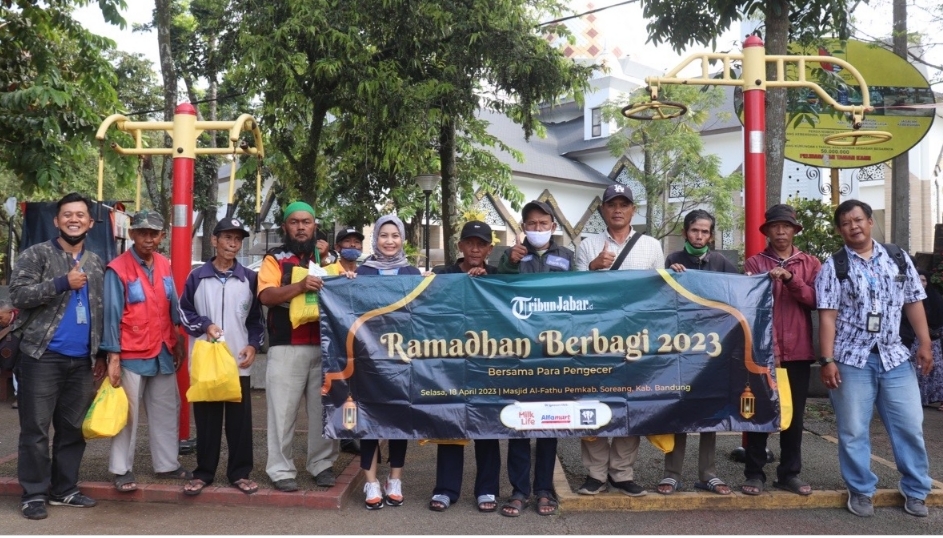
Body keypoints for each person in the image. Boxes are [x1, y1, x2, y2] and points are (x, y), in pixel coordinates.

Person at [815, 199, 933, 518]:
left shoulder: (897, 258)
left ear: (870, 222)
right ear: (840, 230)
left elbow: (914, 302)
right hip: (852, 360)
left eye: (858, 220)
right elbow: (827, 316)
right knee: (853, 429)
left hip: (895, 357)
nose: (853, 226)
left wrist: (924, 343)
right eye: (845, 223)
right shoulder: (834, 266)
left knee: (909, 425)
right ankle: (862, 490)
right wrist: (826, 360)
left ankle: (916, 490)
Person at [9, 192, 105, 520]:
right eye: (67, 214)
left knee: (72, 428)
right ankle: (34, 493)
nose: (73, 219)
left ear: (90, 223)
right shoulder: (37, 255)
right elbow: (19, 295)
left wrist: (103, 354)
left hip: (82, 361)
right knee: (35, 428)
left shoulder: (95, 262)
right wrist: (62, 282)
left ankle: (64, 489)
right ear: (56, 220)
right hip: (41, 356)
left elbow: (101, 311)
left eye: (80, 215)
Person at [575, 184, 664, 497]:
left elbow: (661, 292)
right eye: (612, 204)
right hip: (596, 338)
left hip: (636, 339)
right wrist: (591, 269)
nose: (617, 210)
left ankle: (622, 473)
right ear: (603, 209)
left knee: (631, 403)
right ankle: (595, 474)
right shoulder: (587, 245)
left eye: (624, 204)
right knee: (594, 401)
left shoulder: (652, 246)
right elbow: (574, 294)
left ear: (633, 210)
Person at [102, 209, 191, 493]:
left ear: (161, 236)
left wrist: (177, 341)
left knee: (166, 409)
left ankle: (167, 464)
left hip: (163, 349)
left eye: (154, 233)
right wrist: (112, 357)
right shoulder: (117, 268)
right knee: (127, 415)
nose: (148, 239)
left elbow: (173, 305)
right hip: (131, 351)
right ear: (132, 234)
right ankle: (121, 468)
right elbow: (112, 315)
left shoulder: (164, 264)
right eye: (142, 233)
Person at [178, 217, 265, 496]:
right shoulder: (197, 277)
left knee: (240, 422)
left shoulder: (250, 279)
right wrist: (205, 325)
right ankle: (204, 473)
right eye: (227, 237)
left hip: (237, 362)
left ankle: (240, 473)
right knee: (206, 420)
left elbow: (256, 320)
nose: (233, 243)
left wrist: (253, 345)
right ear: (214, 240)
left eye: (238, 239)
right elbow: (183, 313)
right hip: (206, 363)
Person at [497, 200, 573, 516]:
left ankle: (544, 490)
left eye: (543, 224)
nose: (538, 229)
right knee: (519, 422)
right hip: (519, 351)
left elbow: (581, 296)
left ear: (552, 226)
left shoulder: (567, 257)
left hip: (554, 352)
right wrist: (511, 263)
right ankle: (518, 491)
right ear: (523, 227)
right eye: (532, 224)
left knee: (548, 422)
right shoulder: (509, 255)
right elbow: (496, 286)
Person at [257, 201, 339, 492]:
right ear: (285, 227)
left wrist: (330, 261)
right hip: (286, 346)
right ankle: (280, 469)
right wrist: (301, 286)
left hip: (326, 347)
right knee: (282, 411)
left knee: (323, 410)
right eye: (294, 222)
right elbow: (266, 296)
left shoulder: (329, 259)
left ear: (315, 225)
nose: (301, 227)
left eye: (306, 222)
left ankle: (322, 465)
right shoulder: (275, 258)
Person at [741, 204, 821, 497]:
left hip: (798, 351)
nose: (781, 231)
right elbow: (747, 304)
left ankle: (789, 474)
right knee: (759, 413)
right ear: (767, 231)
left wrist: (790, 279)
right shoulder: (754, 263)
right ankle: (754, 473)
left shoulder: (810, 263)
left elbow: (816, 300)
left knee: (795, 418)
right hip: (763, 351)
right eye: (775, 226)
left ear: (794, 230)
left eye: (786, 226)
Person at [658, 209, 738, 496]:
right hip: (681, 345)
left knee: (709, 408)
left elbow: (740, 290)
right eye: (695, 231)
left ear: (711, 235)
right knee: (680, 406)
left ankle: (708, 473)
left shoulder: (720, 262)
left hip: (712, 347)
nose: (700, 236)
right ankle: (672, 474)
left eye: (705, 232)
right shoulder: (673, 260)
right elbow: (665, 294)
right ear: (685, 232)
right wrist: (672, 276)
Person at [428, 221, 501, 513]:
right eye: (469, 242)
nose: (475, 248)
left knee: (488, 425)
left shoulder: (497, 277)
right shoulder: (441, 274)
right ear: (459, 246)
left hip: (488, 362)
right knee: (450, 423)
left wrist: (486, 285)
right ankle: (445, 489)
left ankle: (487, 490)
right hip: (450, 361)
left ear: (489, 249)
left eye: (481, 244)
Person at [349, 214, 421, 509]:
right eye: (383, 235)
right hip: (368, 362)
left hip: (402, 361)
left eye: (395, 235)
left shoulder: (412, 273)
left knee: (398, 419)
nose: (389, 241)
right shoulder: (362, 273)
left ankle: (395, 479)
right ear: (375, 239)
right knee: (369, 421)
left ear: (402, 239)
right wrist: (347, 285)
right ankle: (370, 482)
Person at [900, 270, 943, 410]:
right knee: (916, 370)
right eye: (919, 280)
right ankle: (916, 398)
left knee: (936, 371)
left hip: (932, 340)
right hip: (913, 340)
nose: (921, 283)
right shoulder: (909, 298)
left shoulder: (934, 298)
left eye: (924, 280)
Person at [0, 301, 19, 409]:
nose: (0, 320)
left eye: (1, 317)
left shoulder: (21, 320)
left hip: (18, 356)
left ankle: (19, 397)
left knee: (19, 368)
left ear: (9, 312)